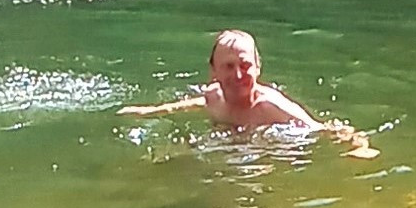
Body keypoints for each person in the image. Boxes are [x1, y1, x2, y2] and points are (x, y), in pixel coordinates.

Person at [119, 29, 379, 158]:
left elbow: (327, 128)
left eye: (245, 66)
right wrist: (154, 111)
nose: (238, 75)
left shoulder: (272, 108)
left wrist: (361, 146)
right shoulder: (214, 96)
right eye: (228, 67)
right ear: (213, 71)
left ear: (258, 68)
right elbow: (198, 102)